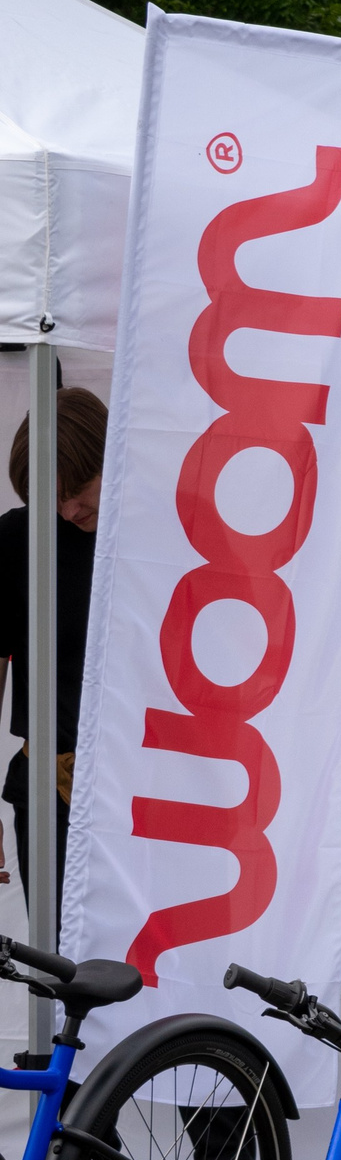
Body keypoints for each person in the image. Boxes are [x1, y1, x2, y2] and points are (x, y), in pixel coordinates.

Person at [0, 387, 107, 906]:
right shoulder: (17, 540)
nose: (66, 511)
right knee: (62, 966)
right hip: (50, 791)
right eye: (49, 499)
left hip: (151, 788)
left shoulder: (164, 533)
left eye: (79, 490)